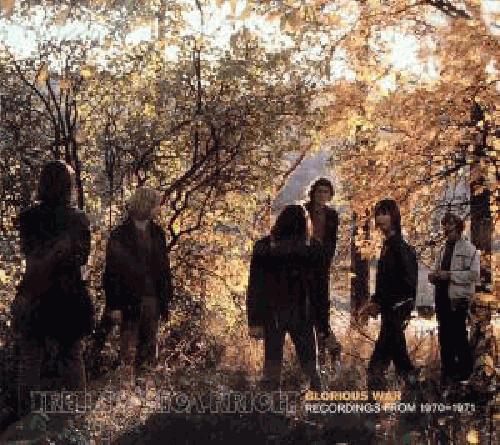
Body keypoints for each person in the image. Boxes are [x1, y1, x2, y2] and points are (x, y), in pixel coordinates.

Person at [12, 160, 92, 416]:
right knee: (72, 357)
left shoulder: (28, 218)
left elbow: (29, 254)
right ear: (69, 185)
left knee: (31, 360)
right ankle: (78, 417)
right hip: (67, 295)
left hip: (35, 293)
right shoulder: (78, 219)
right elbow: (81, 258)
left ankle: (26, 418)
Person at [247, 204, 326, 391]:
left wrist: (254, 321)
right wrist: (323, 324)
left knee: (272, 366)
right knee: (310, 366)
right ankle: (320, 401)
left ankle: (269, 404)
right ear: (304, 223)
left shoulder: (264, 246)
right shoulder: (313, 248)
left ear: (280, 221)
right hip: (302, 313)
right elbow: (320, 290)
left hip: (273, 314)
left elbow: (255, 287)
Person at [102, 187, 173, 378]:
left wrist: (165, 300)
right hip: (128, 301)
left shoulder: (157, 233)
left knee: (148, 355)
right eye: (155, 205)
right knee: (128, 353)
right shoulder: (119, 234)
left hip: (153, 300)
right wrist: (114, 306)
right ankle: (127, 392)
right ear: (146, 205)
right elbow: (111, 273)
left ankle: (143, 391)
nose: (157, 209)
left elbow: (164, 269)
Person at [365, 199, 418, 390]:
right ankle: (414, 392)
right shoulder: (387, 245)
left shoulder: (401, 247)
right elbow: (385, 281)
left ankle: (376, 402)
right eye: (378, 214)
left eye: (385, 213)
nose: (380, 218)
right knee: (398, 358)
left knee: (379, 364)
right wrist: (375, 301)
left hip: (396, 311)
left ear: (394, 216)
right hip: (390, 312)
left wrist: (382, 304)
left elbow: (407, 284)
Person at [428, 212, 479, 386]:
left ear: (458, 228)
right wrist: (433, 276)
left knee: (458, 337)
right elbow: (437, 271)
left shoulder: (470, 250)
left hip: (458, 301)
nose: (446, 232)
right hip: (441, 298)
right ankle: (448, 376)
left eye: (449, 228)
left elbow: (474, 275)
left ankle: (465, 376)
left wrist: (450, 275)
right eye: (444, 228)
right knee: (444, 338)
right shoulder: (442, 250)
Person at [304, 178, 341, 359]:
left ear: (330, 195)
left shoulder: (332, 215)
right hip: (304, 266)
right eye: (319, 191)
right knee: (307, 308)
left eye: (326, 192)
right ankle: (316, 351)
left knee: (322, 306)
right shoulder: (303, 210)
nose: (322, 195)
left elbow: (332, 242)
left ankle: (326, 348)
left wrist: (326, 259)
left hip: (322, 266)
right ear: (313, 192)